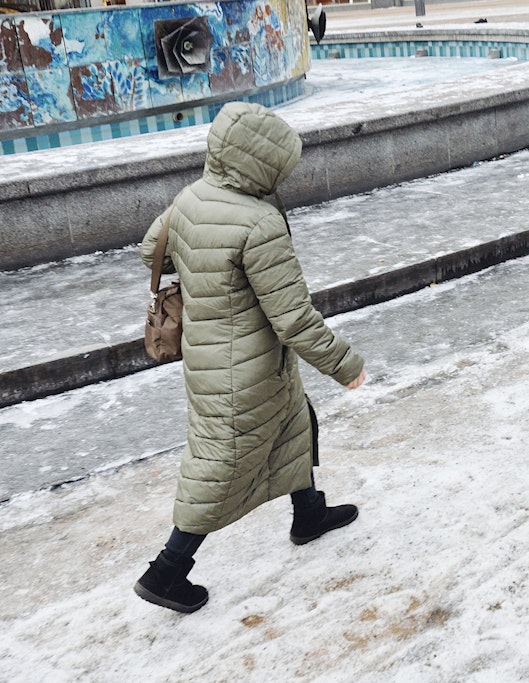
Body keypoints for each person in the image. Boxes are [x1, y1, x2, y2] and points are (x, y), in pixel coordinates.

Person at [135, 102, 367, 613]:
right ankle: (166, 571)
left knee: (295, 422)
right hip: (248, 371)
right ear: (263, 164)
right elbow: (292, 318)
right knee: (223, 465)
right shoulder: (259, 222)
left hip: (213, 360)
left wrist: (205, 270)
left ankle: (309, 514)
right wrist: (345, 365)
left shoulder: (191, 198)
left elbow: (151, 249)